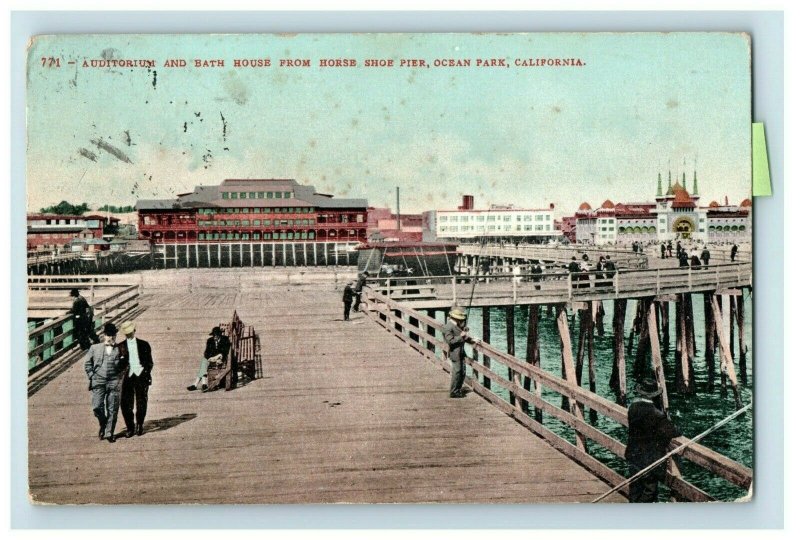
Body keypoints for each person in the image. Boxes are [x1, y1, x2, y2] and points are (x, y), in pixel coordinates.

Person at [625, 379, 681, 503]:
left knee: (635, 488)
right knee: (649, 490)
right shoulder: (656, 414)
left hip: (634, 456)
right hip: (649, 460)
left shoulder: (633, 408)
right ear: (655, 395)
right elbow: (672, 431)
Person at [84, 323, 127, 443]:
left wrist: (120, 377)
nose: (110, 338)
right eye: (108, 336)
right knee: (97, 407)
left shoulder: (120, 348)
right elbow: (87, 363)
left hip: (114, 381)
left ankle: (109, 433)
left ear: (115, 336)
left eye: (113, 336)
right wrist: (92, 376)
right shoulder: (95, 348)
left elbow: (125, 366)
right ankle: (103, 423)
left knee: (112, 408)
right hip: (98, 380)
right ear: (104, 336)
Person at [118, 321, 153, 437]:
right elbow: (118, 365)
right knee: (125, 402)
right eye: (126, 333)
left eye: (130, 332)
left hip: (141, 375)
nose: (129, 335)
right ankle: (130, 427)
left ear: (134, 330)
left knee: (141, 401)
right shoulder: (120, 346)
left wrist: (145, 372)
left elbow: (149, 362)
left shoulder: (144, 345)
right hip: (127, 376)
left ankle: (140, 424)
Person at [442, 307, 477, 398]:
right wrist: (461, 336)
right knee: (457, 372)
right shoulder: (448, 327)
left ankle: (458, 389)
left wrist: (472, 340)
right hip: (454, 352)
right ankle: (454, 392)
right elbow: (451, 341)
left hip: (461, 352)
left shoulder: (457, 326)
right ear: (456, 318)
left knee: (463, 371)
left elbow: (463, 337)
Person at [188, 326, 231, 392]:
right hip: (211, 359)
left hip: (220, 359)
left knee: (203, 364)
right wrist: (210, 358)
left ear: (220, 335)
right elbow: (206, 353)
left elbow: (225, 351)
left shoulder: (225, 339)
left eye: (217, 335)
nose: (215, 337)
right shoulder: (210, 340)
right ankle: (203, 384)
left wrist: (217, 357)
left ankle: (196, 384)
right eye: (214, 335)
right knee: (204, 361)